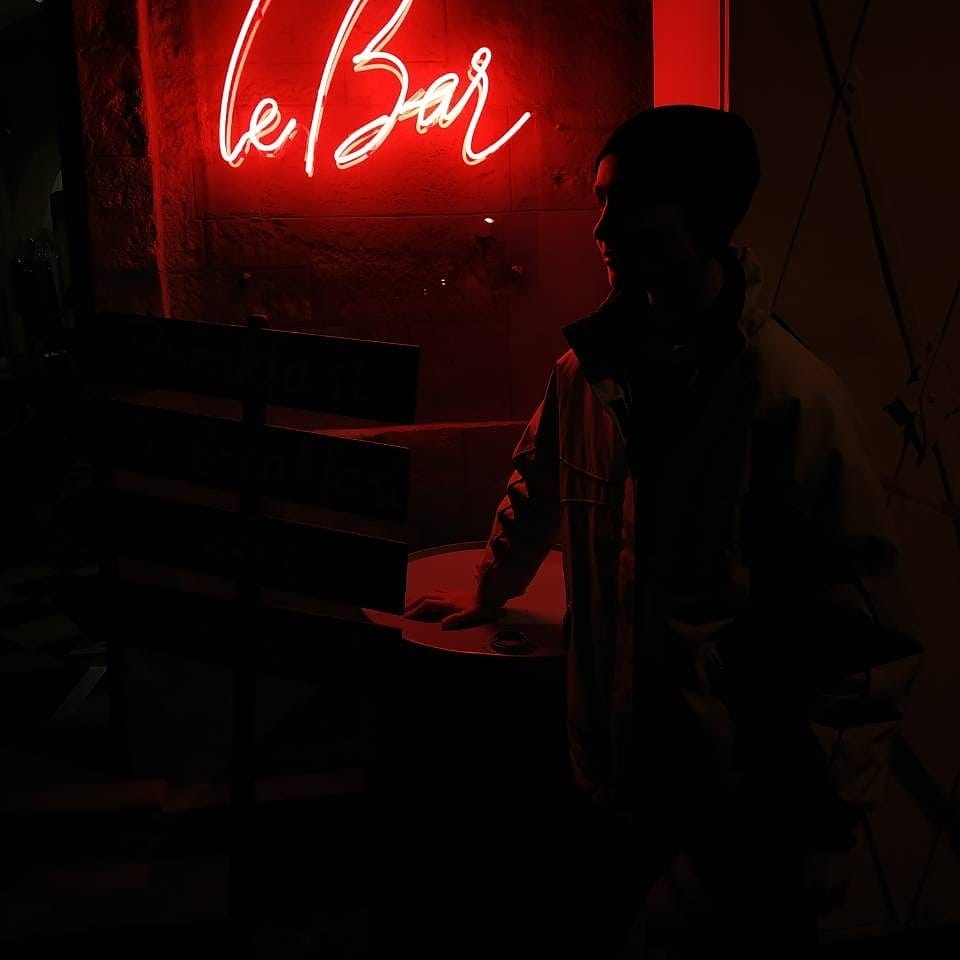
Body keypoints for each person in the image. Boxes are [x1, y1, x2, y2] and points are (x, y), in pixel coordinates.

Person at [403, 105, 921, 958]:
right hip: (609, 780)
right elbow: (537, 483)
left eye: (629, 202)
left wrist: (812, 826)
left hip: (733, 811)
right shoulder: (586, 374)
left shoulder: (786, 398)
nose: (601, 228)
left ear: (705, 216)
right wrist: (490, 587)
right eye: (600, 200)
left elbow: (865, 634)